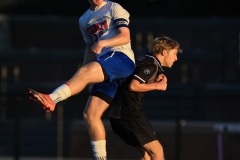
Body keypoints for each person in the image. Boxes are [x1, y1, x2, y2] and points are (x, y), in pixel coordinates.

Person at [26, 1, 135, 160]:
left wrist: (102, 43)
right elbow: (89, 48)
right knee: (90, 115)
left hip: (120, 58)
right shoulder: (84, 19)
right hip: (104, 65)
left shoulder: (113, 7)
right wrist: (83, 76)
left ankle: (52, 99)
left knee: (84, 73)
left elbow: (125, 36)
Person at [108, 36, 182, 160]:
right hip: (129, 114)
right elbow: (133, 85)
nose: (176, 58)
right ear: (164, 52)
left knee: (146, 155)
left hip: (117, 115)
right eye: (174, 53)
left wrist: (152, 80)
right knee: (157, 152)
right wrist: (157, 86)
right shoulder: (151, 65)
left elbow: (132, 80)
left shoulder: (145, 59)